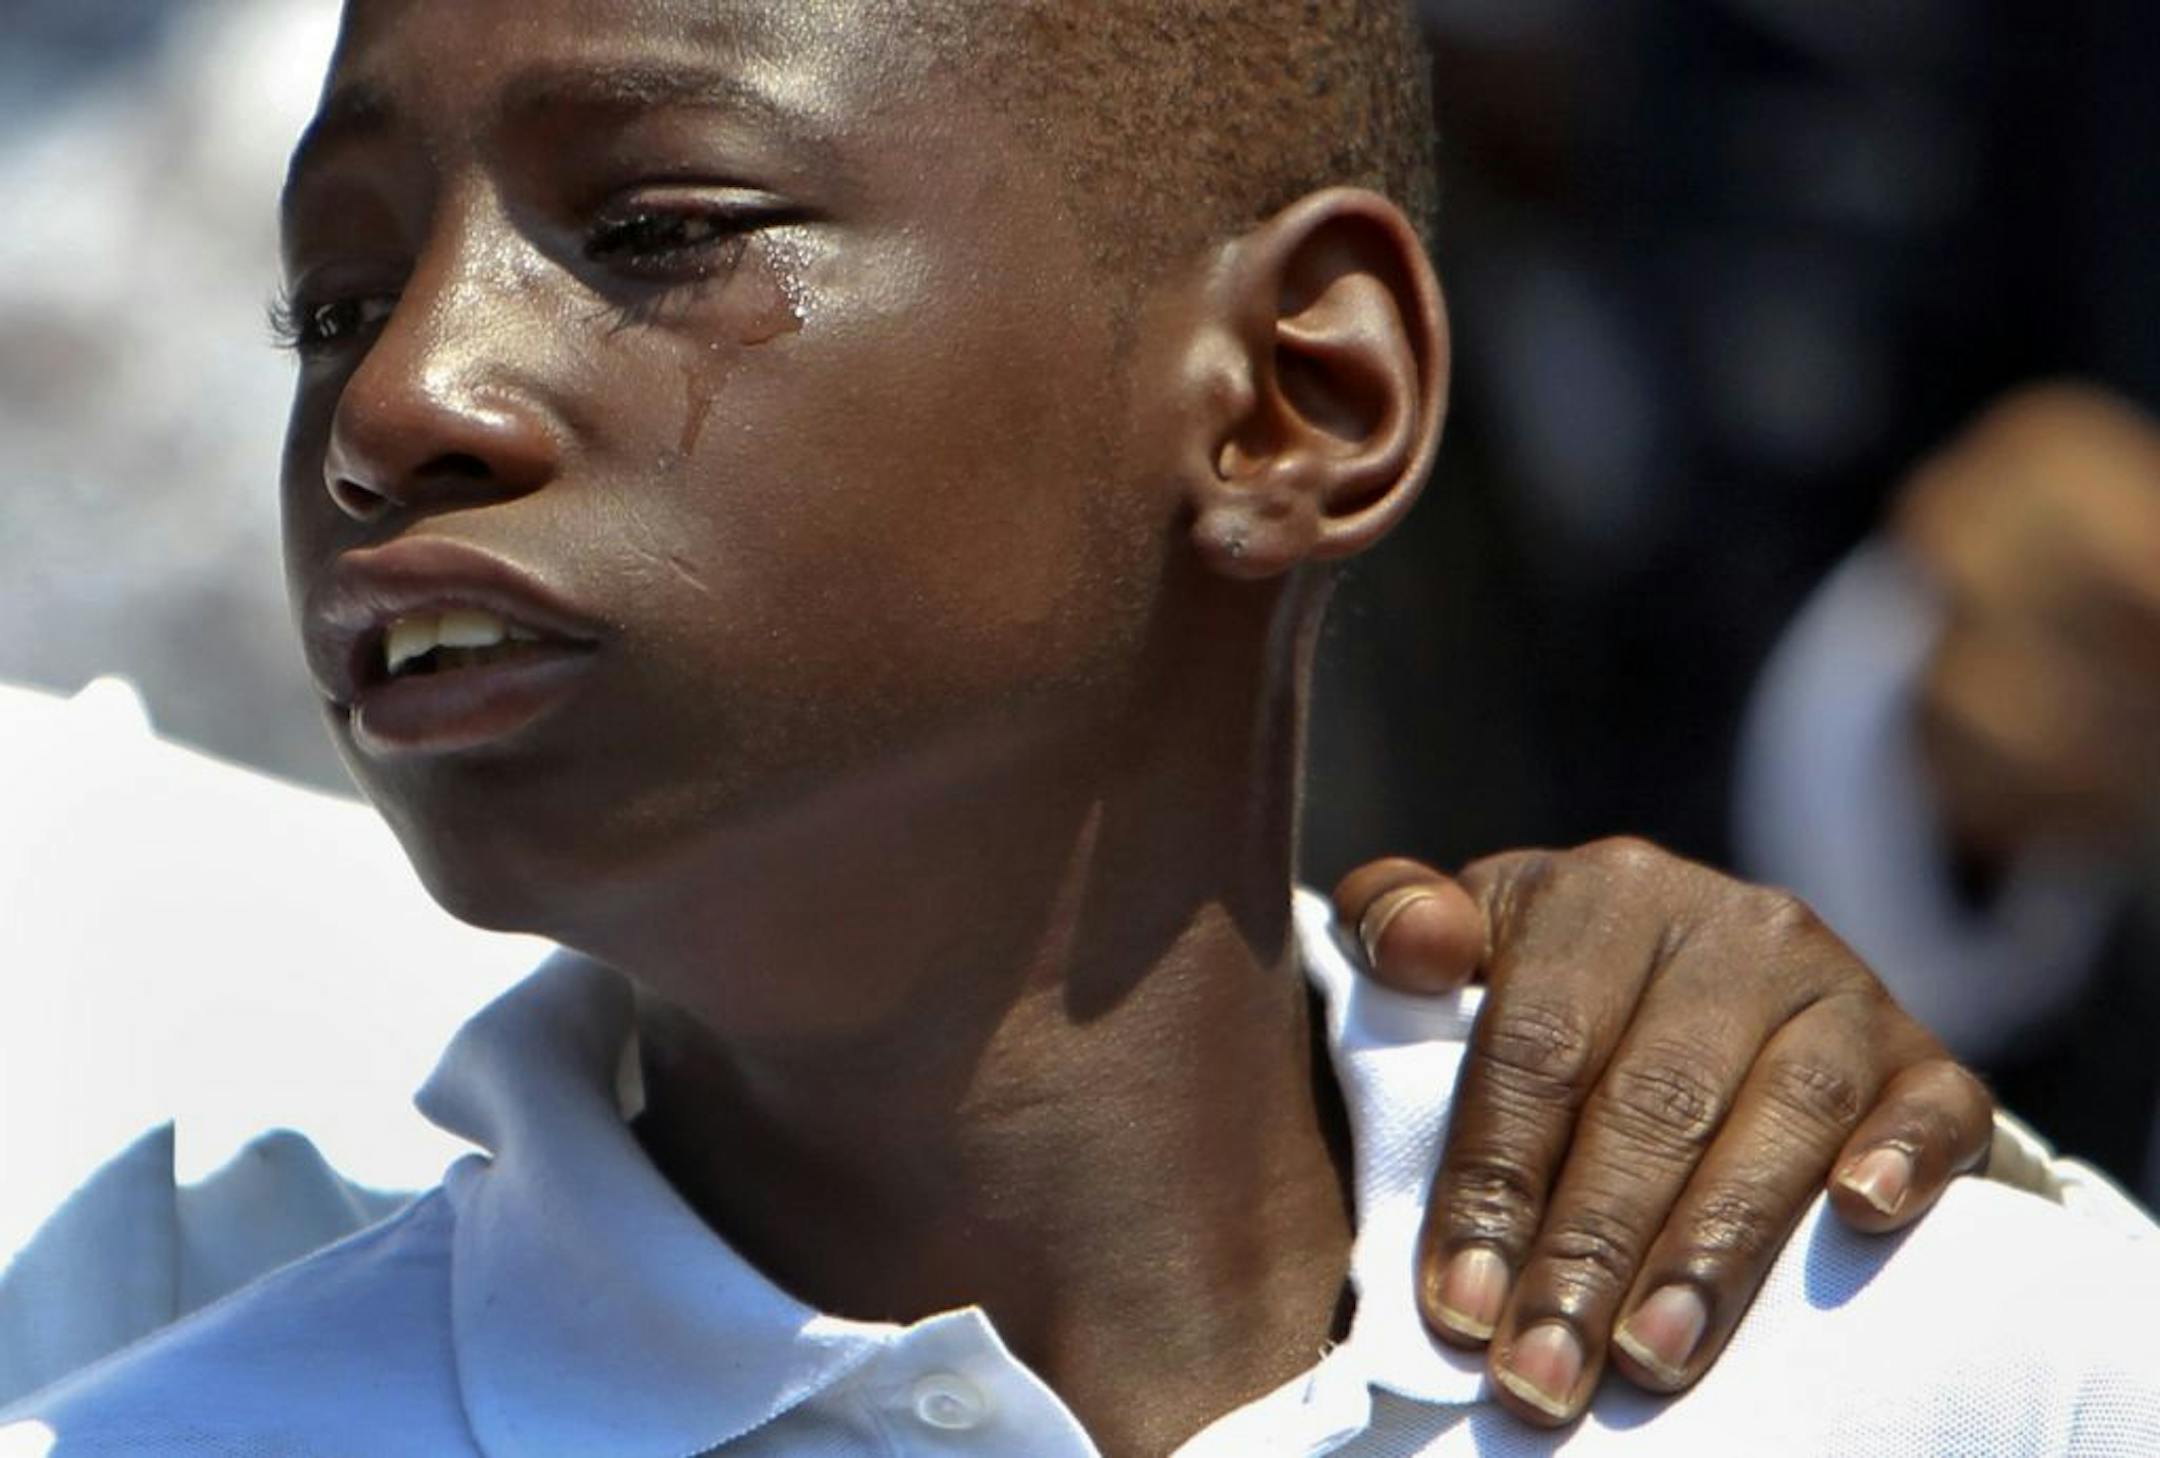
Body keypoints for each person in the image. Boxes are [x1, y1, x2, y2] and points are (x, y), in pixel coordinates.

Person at [6, 3, 2155, 1455]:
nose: (400, 402)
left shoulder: (1953, 1371)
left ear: (1296, 396)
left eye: (655, 230)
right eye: (332, 304)